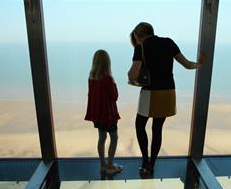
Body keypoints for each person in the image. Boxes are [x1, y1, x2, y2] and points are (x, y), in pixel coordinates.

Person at [128, 22, 205, 178]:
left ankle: (145, 161)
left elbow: (132, 74)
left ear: (138, 34)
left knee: (140, 125)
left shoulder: (140, 47)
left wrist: (134, 78)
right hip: (167, 92)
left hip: (150, 93)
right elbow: (188, 65)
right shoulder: (168, 42)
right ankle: (152, 165)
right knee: (157, 129)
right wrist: (201, 63)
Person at [85, 49, 122, 175]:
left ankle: (102, 165)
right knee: (114, 138)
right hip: (108, 115)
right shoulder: (107, 78)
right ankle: (111, 166)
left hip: (97, 115)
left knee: (102, 138)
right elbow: (114, 97)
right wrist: (115, 85)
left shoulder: (92, 78)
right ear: (107, 62)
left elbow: (91, 97)